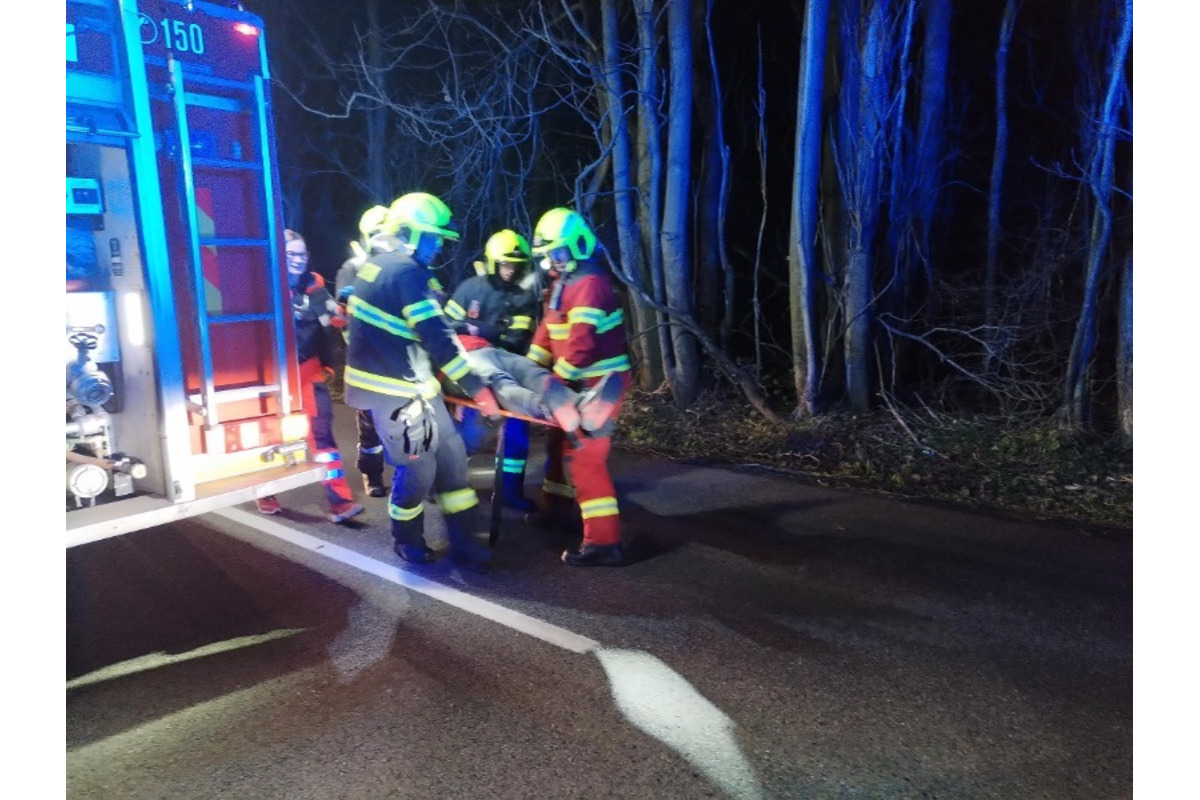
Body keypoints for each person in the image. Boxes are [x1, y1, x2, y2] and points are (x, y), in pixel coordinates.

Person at [342, 191, 500, 571]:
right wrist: (481, 393)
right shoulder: (406, 272)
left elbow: (421, 328)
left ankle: (464, 542)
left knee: (451, 459)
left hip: (412, 386)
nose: (438, 248)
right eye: (432, 238)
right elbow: (440, 343)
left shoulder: (381, 265)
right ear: (410, 233)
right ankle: (407, 539)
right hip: (392, 392)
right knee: (419, 467)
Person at [527, 207, 632, 567]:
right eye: (547, 255)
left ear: (578, 246)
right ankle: (556, 511)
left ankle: (605, 544)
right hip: (581, 381)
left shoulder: (589, 282)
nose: (551, 261)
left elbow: (582, 346)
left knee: (585, 456)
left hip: (603, 383)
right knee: (557, 443)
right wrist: (529, 366)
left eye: (557, 253)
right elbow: (549, 330)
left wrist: (553, 382)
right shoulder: (564, 282)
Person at [256, 229, 365, 524]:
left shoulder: (313, 285)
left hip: (308, 372)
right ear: (278, 255)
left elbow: (333, 318)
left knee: (321, 435)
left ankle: (340, 500)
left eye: (302, 254)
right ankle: (265, 492)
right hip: (271, 375)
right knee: (271, 435)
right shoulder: (264, 285)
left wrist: (346, 304)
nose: (297, 260)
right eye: (291, 254)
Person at [335, 205, 390, 498]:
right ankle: (372, 474)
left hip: (396, 358)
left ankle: (421, 477)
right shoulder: (352, 269)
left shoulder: (399, 266)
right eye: (377, 235)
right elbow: (344, 313)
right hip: (365, 359)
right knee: (370, 425)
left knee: (408, 422)